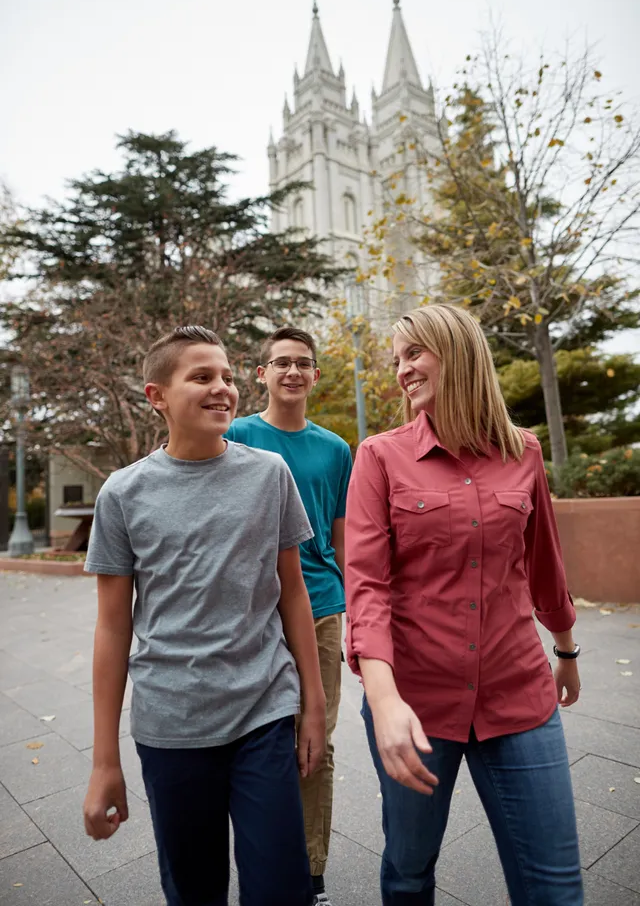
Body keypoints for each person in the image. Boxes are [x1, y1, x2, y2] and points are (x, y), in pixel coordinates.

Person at [345, 305, 583, 906]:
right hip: (415, 703)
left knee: (556, 887)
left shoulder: (524, 452)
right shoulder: (378, 455)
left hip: (519, 693)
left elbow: (544, 566)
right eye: (397, 358)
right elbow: (366, 585)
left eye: (413, 353)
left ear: (456, 351)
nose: (402, 370)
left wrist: (566, 649)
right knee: (408, 870)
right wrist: (385, 698)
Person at [82, 325, 326, 906]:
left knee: (281, 889)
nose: (222, 389)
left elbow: (293, 592)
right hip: (171, 725)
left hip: (263, 711)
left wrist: (312, 706)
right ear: (156, 395)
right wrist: (102, 761)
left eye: (225, 376)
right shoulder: (122, 493)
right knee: (195, 890)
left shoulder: (269, 474)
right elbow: (114, 626)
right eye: (201, 377)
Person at [226, 327, 353, 906]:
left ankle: (311, 871)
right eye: (281, 363)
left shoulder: (336, 450)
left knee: (314, 741)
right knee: (258, 740)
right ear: (262, 373)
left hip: (322, 607)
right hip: (253, 609)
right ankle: (264, 854)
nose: (292, 372)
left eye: (303, 363)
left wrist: (359, 611)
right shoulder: (237, 433)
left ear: (316, 375)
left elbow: (341, 537)